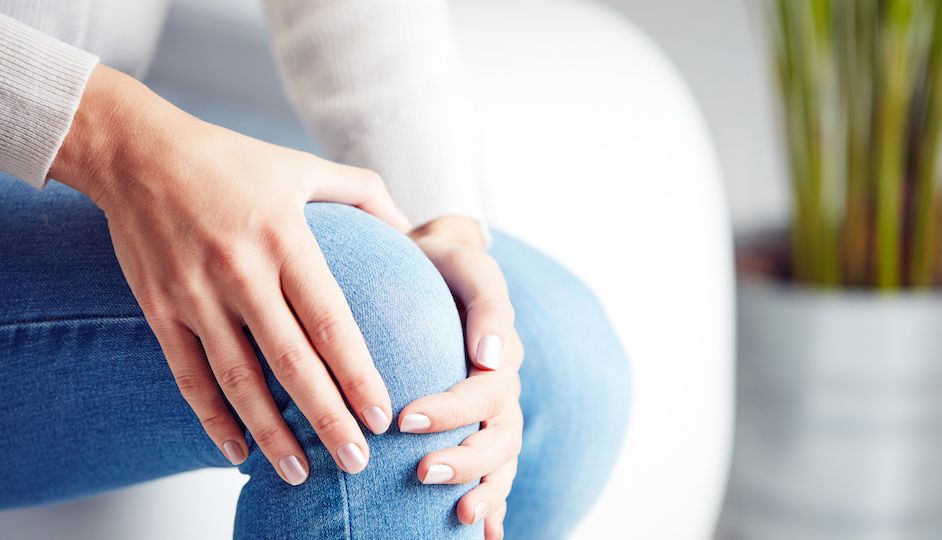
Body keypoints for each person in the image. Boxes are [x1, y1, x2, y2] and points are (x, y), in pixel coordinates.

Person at [0, 1, 630, 538]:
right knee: (376, 325)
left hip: (103, 101)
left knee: (562, 355)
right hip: (64, 119)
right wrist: (116, 143)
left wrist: (434, 225)